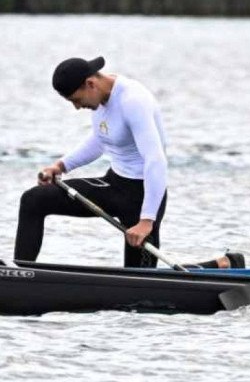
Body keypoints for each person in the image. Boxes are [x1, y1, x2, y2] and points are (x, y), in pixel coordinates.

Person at [14, 56, 169, 268]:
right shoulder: (100, 99)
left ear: (90, 84)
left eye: (76, 100)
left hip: (143, 198)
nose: (78, 108)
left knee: (139, 285)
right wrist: (61, 166)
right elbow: (100, 140)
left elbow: (156, 160)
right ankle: (22, 275)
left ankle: (220, 264)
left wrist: (146, 221)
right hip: (114, 184)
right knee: (34, 200)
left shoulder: (133, 101)